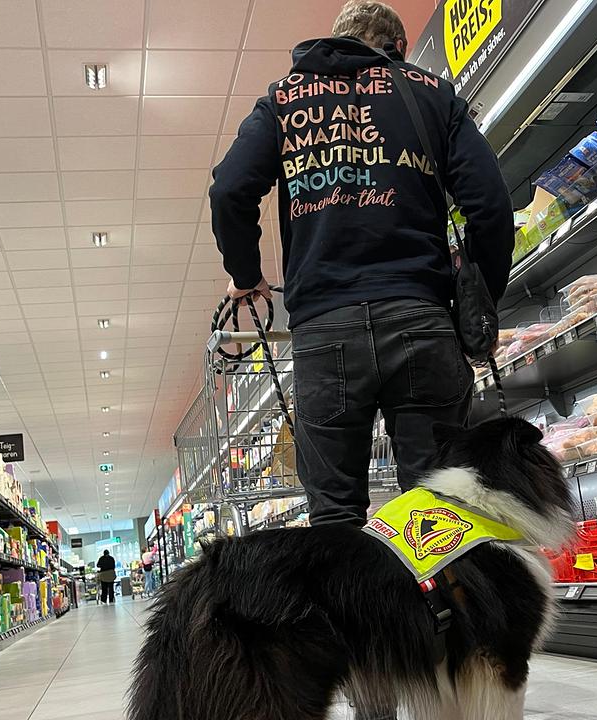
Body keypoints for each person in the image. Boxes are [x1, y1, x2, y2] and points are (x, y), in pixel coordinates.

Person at [209, 1, 513, 527]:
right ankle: (441, 608)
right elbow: (489, 204)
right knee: (442, 504)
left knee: (334, 515)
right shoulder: (430, 93)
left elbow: (230, 190)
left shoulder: (283, 100)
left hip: (326, 331)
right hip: (420, 318)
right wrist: (481, 298)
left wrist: (246, 276)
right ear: (398, 50)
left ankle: (356, 610)